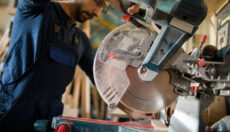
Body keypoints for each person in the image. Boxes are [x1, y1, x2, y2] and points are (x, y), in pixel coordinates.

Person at [0, 0, 156, 131]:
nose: (98, 13)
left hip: (47, 121)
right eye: (99, 3)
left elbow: (101, 80)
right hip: (12, 114)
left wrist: (131, 111)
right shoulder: (35, 11)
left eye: (104, 9)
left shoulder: (80, 41)